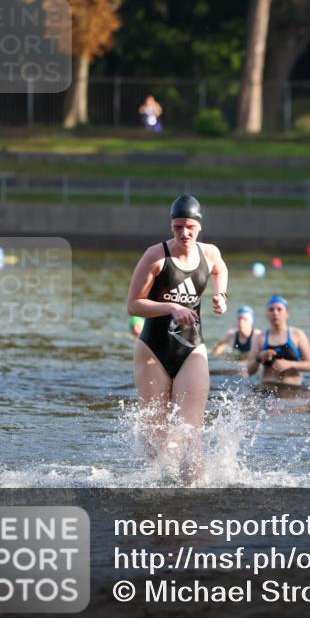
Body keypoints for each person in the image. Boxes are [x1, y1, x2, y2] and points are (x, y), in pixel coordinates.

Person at [127, 195, 228, 482]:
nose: (184, 233)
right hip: (153, 351)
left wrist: (221, 294)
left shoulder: (209, 253)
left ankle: (193, 494)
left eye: (189, 227)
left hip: (192, 349)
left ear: (199, 227)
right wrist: (171, 307)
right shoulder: (155, 256)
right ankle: (159, 490)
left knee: (190, 433)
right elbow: (134, 305)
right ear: (171, 226)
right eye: (177, 227)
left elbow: (220, 268)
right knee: (157, 437)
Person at [246, 295, 310, 385]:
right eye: (271, 310)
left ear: (287, 313)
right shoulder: (260, 338)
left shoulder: (298, 335)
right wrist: (259, 358)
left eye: (279, 309)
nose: (275, 313)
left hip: (293, 388)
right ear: (267, 314)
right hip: (267, 387)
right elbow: (249, 371)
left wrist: (290, 364)